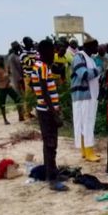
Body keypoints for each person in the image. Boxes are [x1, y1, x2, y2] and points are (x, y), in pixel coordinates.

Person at [31, 40, 68, 191]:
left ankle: (52, 173)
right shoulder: (43, 67)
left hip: (45, 110)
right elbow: (45, 91)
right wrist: (54, 114)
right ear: (45, 52)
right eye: (52, 51)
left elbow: (38, 89)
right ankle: (52, 179)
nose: (54, 54)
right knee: (50, 145)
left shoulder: (38, 66)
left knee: (50, 144)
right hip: (47, 112)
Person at [71, 37, 103, 162]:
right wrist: (99, 70)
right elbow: (84, 74)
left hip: (91, 96)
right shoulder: (79, 57)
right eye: (96, 46)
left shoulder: (91, 59)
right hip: (83, 96)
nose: (97, 48)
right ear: (89, 46)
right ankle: (89, 152)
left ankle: (85, 151)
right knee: (85, 123)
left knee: (87, 123)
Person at [0, 56, 23, 124]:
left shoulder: (6, 67)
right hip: (1, 88)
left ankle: (20, 116)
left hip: (8, 86)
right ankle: (5, 120)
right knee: (2, 104)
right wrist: (1, 78)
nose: (1, 61)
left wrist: (8, 74)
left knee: (17, 99)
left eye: (1, 60)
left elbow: (9, 73)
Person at [20, 36, 37, 119]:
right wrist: (36, 58)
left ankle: (30, 112)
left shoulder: (32, 51)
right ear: (26, 43)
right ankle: (27, 113)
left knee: (35, 94)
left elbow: (37, 59)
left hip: (34, 75)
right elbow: (29, 63)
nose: (32, 43)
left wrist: (35, 58)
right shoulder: (22, 53)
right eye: (30, 42)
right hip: (28, 76)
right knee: (28, 95)